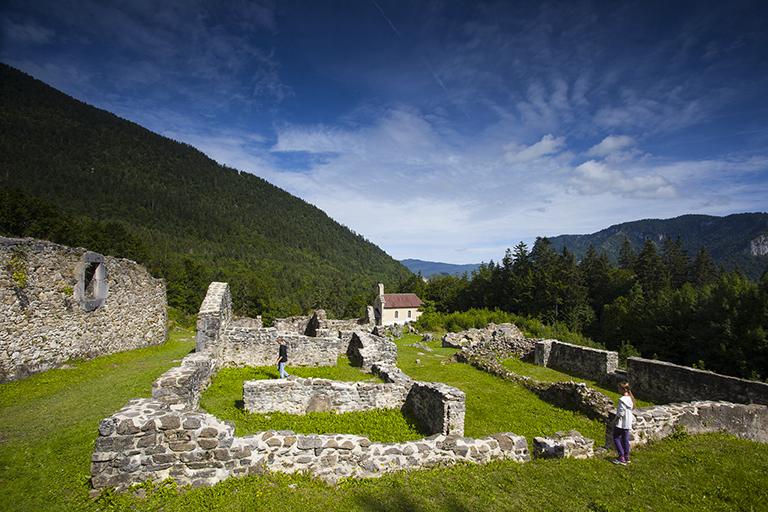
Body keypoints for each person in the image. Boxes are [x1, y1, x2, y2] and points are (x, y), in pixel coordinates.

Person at [612, 381, 636, 465]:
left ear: (623, 389)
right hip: (628, 422)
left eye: (619, 388)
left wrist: (615, 420)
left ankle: (621, 456)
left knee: (616, 437)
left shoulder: (622, 400)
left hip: (621, 423)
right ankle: (627, 456)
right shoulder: (630, 399)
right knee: (625, 439)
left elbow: (620, 413)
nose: (618, 390)